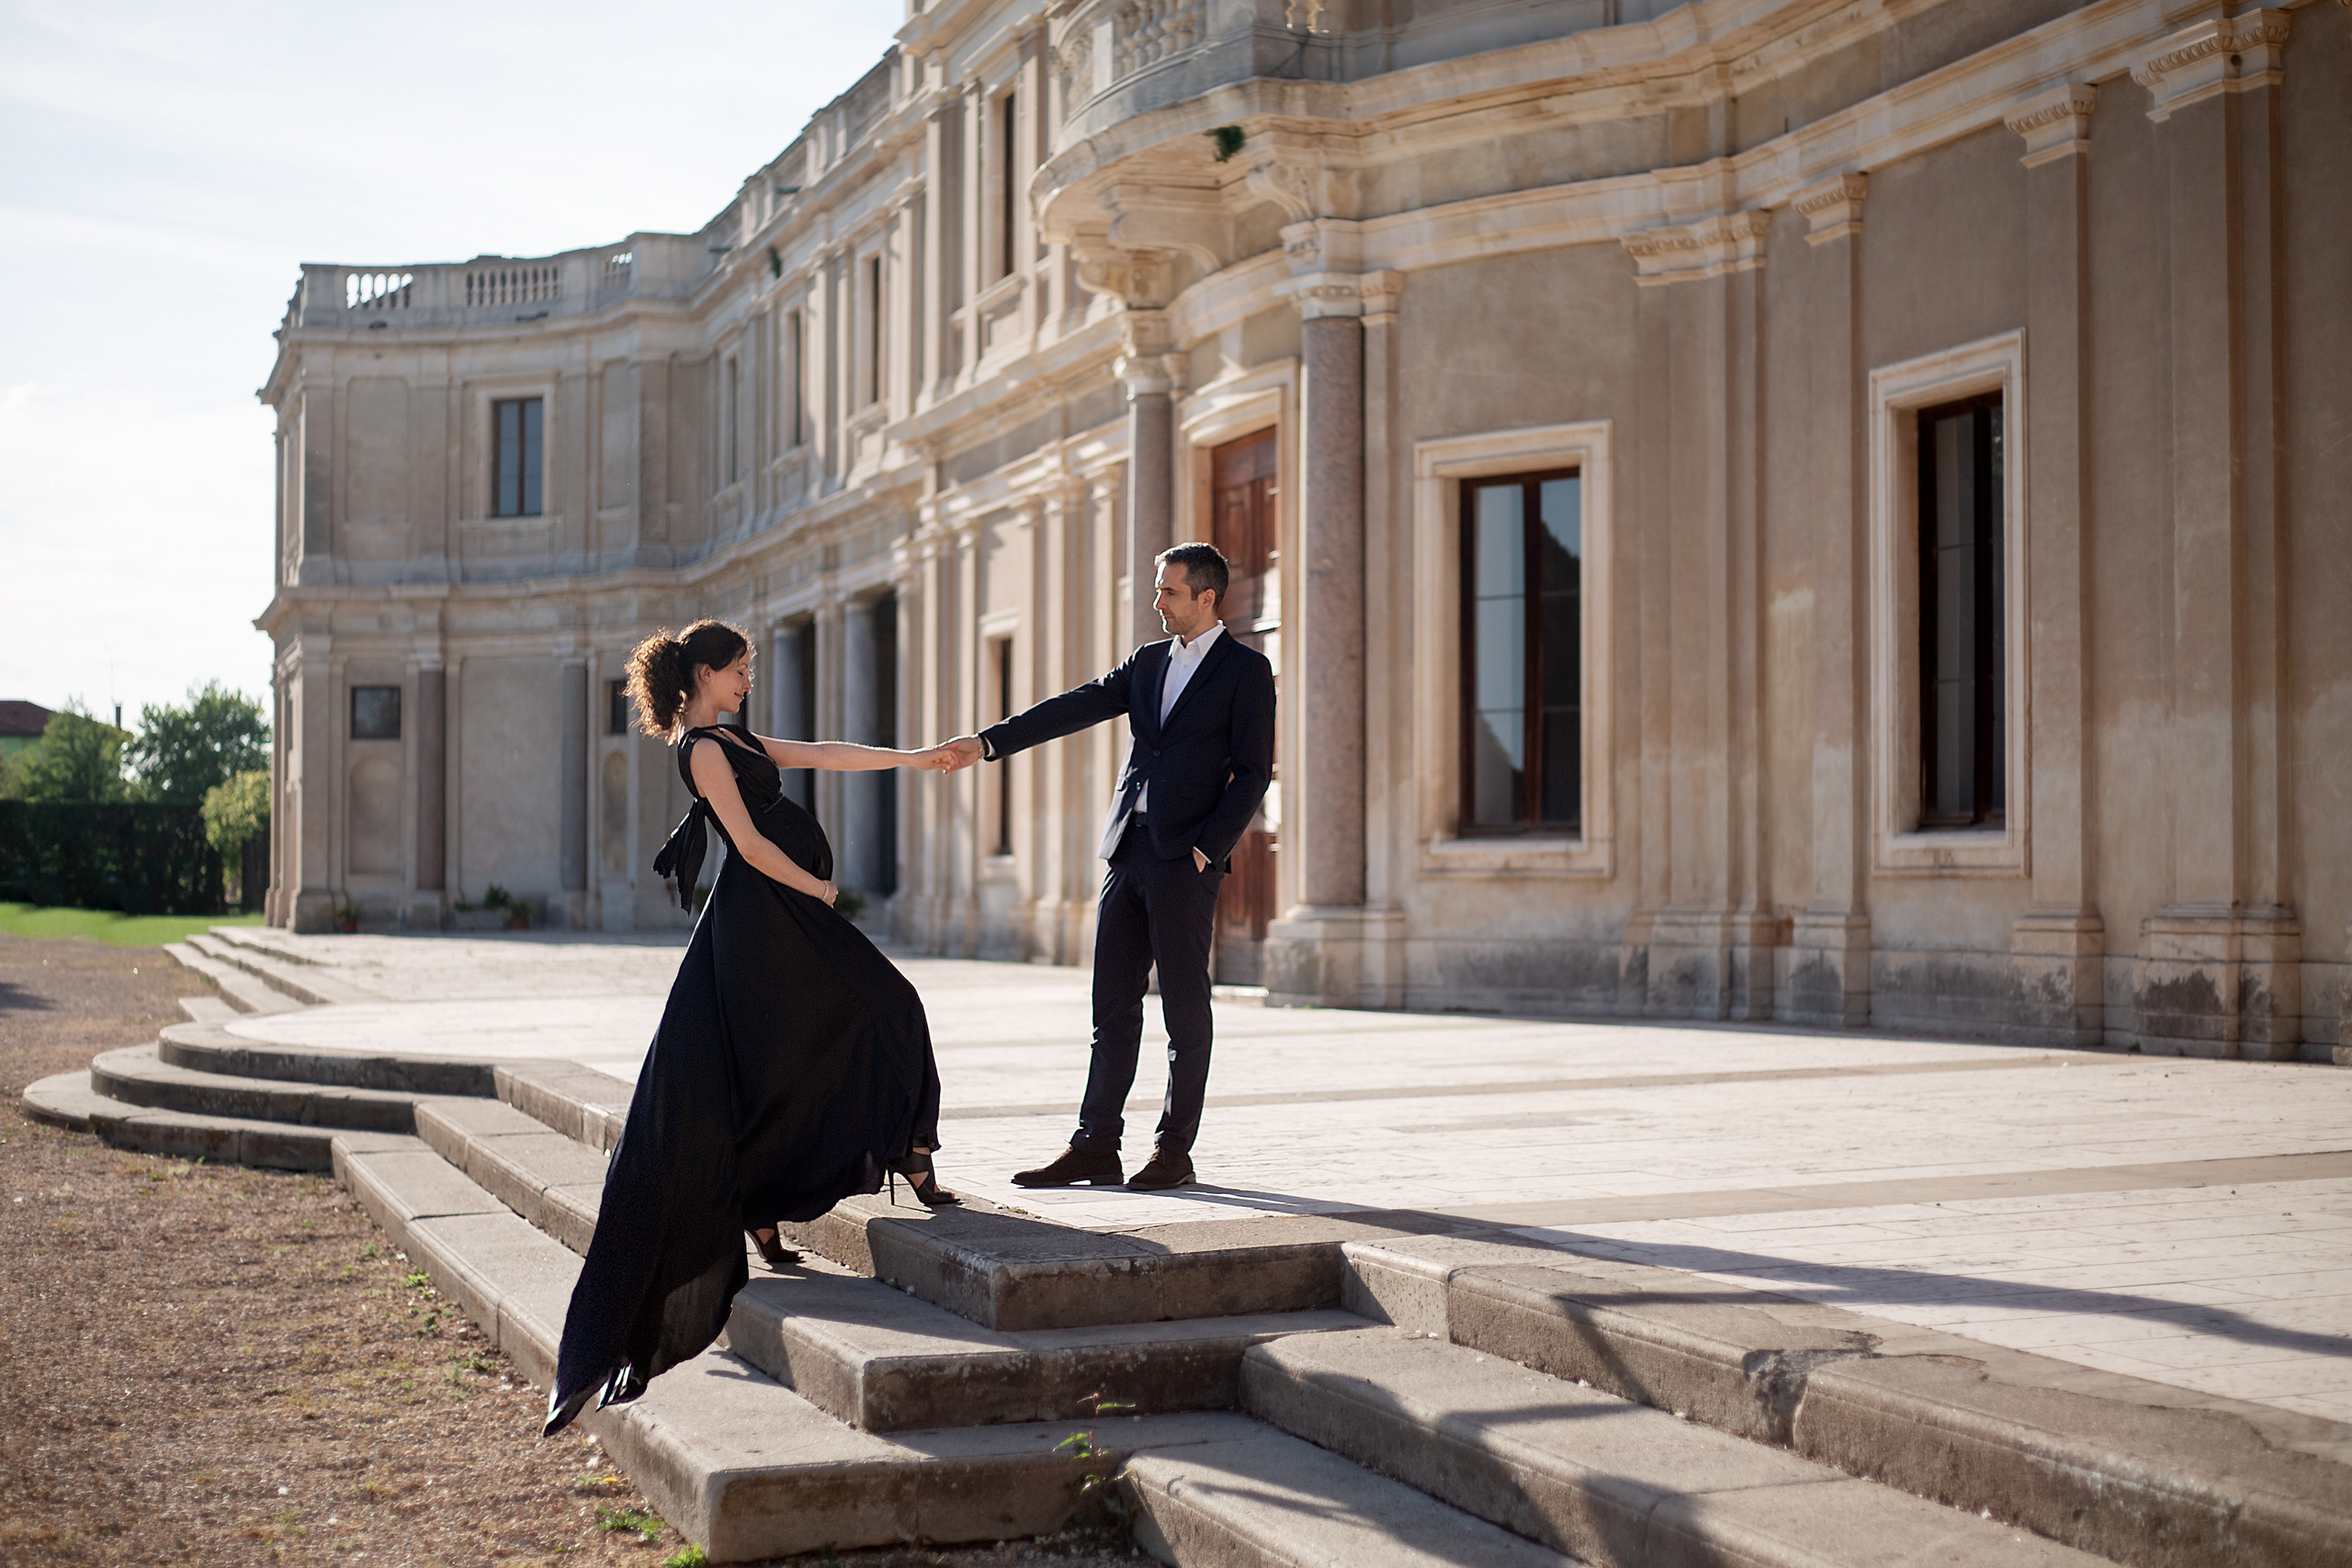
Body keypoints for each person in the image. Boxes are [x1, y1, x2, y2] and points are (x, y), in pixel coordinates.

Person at [545, 618, 963, 1437]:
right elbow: (746, 844)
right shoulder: (702, 750)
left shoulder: (733, 735)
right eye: (739, 669)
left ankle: (892, 1159)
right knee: (865, 1015)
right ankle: (793, 1195)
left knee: (851, 1026)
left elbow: (823, 752)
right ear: (703, 673)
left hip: (782, 912)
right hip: (765, 917)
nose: (747, 680)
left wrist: (912, 759)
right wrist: (811, 886)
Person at [941, 542, 1275, 1191]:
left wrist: (1209, 847)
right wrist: (986, 743)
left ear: (1208, 597)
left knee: (1184, 1008)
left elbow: (1254, 772)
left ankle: (1174, 1150)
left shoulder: (1245, 671)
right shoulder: (1148, 663)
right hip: (1127, 850)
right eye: (1159, 589)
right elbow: (1077, 704)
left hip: (1185, 858)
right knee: (1111, 1007)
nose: (1157, 602)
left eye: (1169, 592)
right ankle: (1096, 1144)